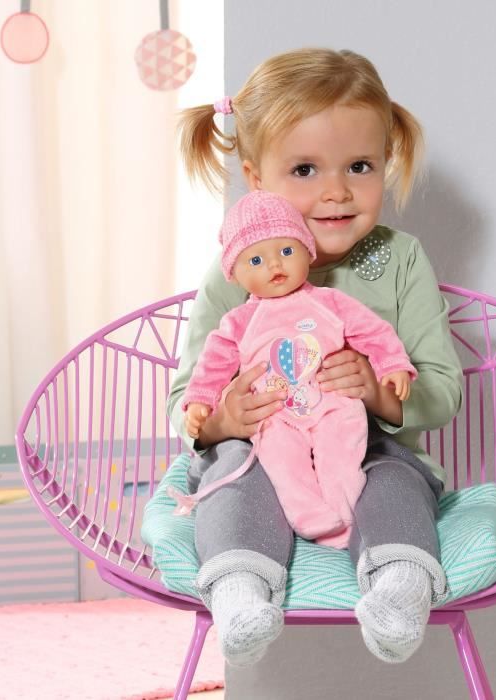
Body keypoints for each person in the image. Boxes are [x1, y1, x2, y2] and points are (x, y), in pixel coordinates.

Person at [167, 48, 463, 668]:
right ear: (256, 178)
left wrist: (379, 393)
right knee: (230, 471)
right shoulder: (235, 272)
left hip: (364, 448)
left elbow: (441, 389)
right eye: (304, 169)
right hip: (263, 448)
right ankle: (240, 593)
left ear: (386, 161)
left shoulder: (401, 259)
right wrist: (222, 419)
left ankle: (399, 586)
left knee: (396, 475)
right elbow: (185, 399)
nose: (336, 191)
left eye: (360, 166)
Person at [171, 190, 416, 552]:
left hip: (333, 404)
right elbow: (213, 364)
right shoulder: (239, 321)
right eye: (256, 259)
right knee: (283, 466)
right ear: (235, 275)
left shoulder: (330, 302)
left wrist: (392, 365)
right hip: (276, 415)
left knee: (342, 457)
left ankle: (345, 515)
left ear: (307, 251)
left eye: (287, 251)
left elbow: (372, 331)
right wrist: (200, 403)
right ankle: (311, 519)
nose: (275, 266)